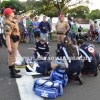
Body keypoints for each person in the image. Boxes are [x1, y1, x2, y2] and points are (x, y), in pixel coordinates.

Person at [3, 8, 21, 78]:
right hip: (12, 42)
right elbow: (7, 35)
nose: (13, 13)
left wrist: (19, 19)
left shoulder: (11, 21)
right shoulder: (7, 23)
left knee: (14, 56)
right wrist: (9, 47)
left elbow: (15, 23)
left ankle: (13, 70)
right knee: (11, 57)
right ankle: (12, 73)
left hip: (15, 41)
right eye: (12, 12)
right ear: (9, 14)